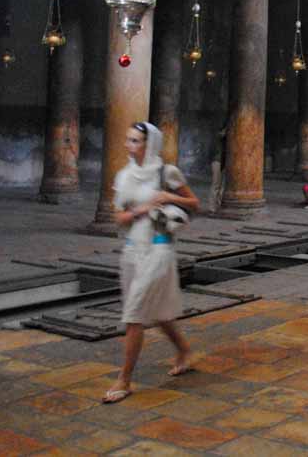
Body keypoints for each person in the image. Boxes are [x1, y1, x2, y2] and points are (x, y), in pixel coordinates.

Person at [104, 122, 199, 404]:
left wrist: (168, 196)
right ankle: (184, 351)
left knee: (134, 314)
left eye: (135, 141)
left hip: (159, 249)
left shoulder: (166, 172)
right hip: (133, 250)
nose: (128, 145)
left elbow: (194, 203)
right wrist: (141, 210)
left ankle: (124, 380)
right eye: (127, 140)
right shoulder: (124, 176)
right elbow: (119, 218)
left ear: (150, 144)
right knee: (157, 312)